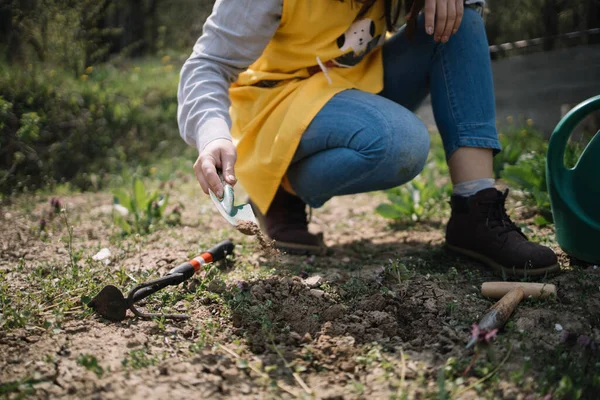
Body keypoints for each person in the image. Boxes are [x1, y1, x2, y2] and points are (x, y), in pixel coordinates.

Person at [177, 0, 559, 278]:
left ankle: (475, 210)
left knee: (459, 19)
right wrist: (212, 134)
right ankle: (278, 188)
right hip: (277, 102)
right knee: (400, 143)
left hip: (355, 83)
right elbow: (209, 62)